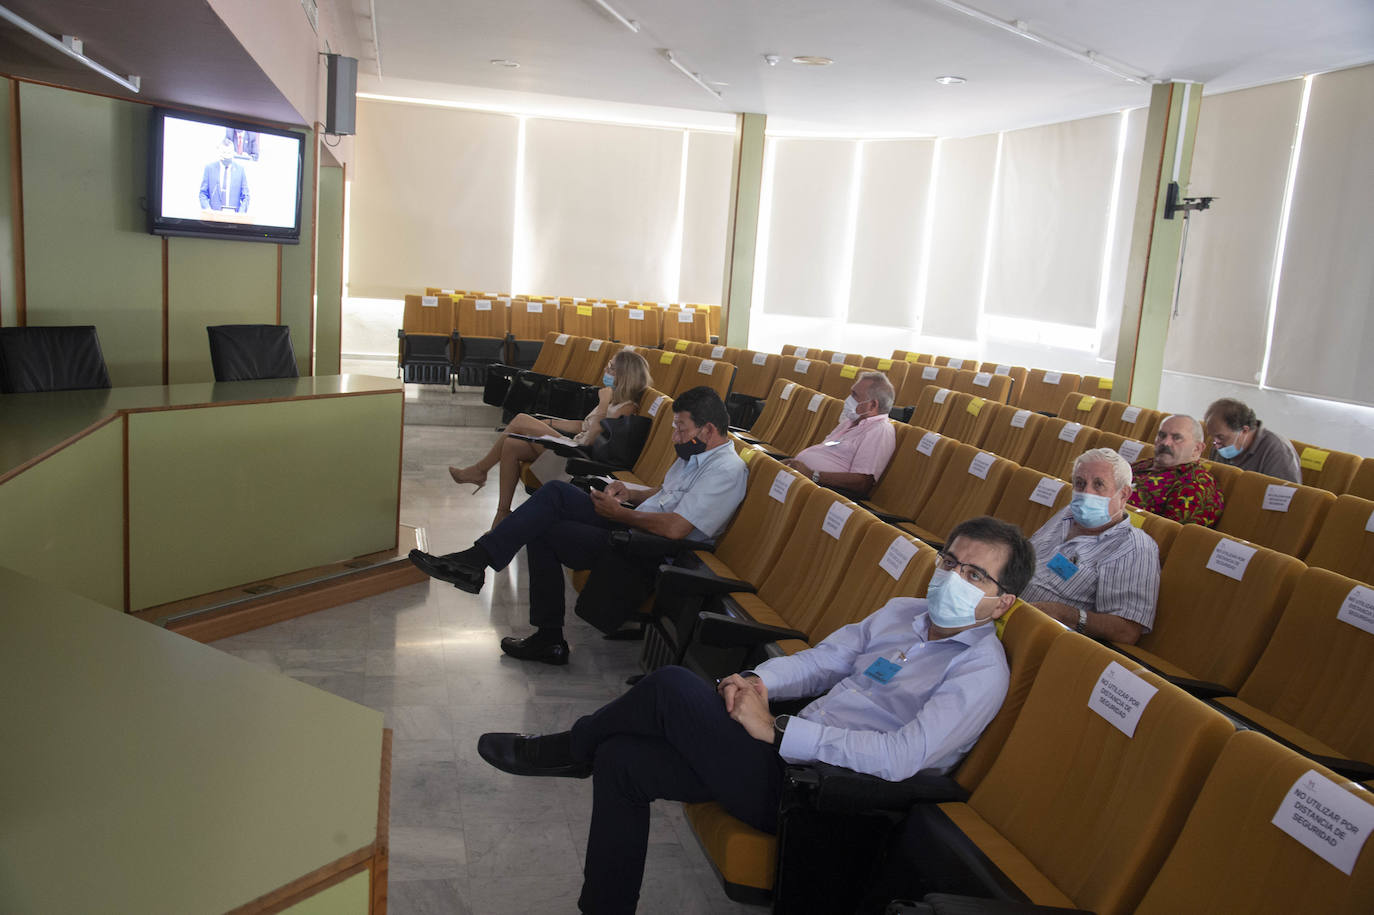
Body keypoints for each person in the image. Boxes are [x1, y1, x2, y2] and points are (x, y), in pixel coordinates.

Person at [475, 516, 1036, 915]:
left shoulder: (980, 672)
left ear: (1003, 602)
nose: (953, 579)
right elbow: (822, 661)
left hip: (826, 797)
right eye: (949, 562)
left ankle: (569, 751)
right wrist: (756, 681)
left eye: (975, 576)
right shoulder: (902, 612)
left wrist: (781, 729)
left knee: (669, 684)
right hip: (779, 757)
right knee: (624, 761)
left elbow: (903, 757)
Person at [409, 386, 747, 664]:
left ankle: (541, 629)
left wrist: (622, 514)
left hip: (650, 548)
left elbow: (676, 528)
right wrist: (627, 491)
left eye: (681, 428)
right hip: (634, 524)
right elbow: (664, 494)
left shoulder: (726, 470)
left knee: (545, 529)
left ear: (708, 430)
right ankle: (478, 562)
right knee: (556, 493)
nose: (674, 435)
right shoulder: (694, 456)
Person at [448, 348, 652, 528]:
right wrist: (549, 423)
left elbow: (591, 440)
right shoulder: (611, 398)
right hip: (574, 444)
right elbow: (583, 425)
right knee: (512, 444)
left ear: (624, 375)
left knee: (520, 419)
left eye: (612, 368)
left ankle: (479, 471)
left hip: (581, 456)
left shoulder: (626, 406)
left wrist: (604, 404)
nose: (606, 371)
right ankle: (502, 513)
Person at [1021, 447, 1159, 645]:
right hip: (1002, 606)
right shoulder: (1067, 513)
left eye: (1098, 485)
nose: (1086, 493)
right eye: (1079, 483)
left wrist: (1066, 614)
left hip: (1045, 637)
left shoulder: (1134, 546)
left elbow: (1126, 631)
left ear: (1124, 494)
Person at [782, 371, 896, 498]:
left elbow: (862, 482)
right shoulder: (850, 422)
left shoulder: (880, 430)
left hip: (821, 492)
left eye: (855, 395)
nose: (848, 399)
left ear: (873, 404)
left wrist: (813, 474)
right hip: (802, 480)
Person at [1128, 414, 1224, 526]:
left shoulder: (1196, 483)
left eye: (1177, 438)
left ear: (1197, 448)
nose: (1165, 443)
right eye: (1162, 435)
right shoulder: (1144, 463)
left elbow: (1168, 535)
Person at [1203, 397, 1301, 483]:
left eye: (1220, 437)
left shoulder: (1278, 451)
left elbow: (1285, 498)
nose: (1215, 444)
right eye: (1212, 437)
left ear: (1244, 430)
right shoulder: (1219, 443)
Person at [198, 138, 250, 213]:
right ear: (219, 152)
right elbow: (203, 194)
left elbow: (246, 196)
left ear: (233, 153)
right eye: (224, 152)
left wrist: (240, 214)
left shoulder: (240, 170)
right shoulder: (209, 168)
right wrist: (208, 210)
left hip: (234, 219)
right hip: (213, 217)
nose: (226, 156)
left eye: (229, 153)